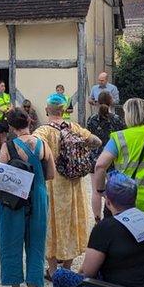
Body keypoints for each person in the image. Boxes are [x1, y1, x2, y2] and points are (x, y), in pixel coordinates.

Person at [51, 172, 144, 287]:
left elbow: (87, 273)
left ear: (107, 202)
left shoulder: (105, 228)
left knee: (60, 275)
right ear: (134, 198)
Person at [37, 95, 101, 277]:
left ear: (47, 109)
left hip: (53, 183)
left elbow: (32, 145)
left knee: (52, 224)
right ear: (64, 110)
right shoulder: (74, 128)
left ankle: (52, 270)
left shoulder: (44, 131)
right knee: (72, 222)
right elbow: (97, 142)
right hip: (74, 183)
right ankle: (66, 268)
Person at [0, 108, 52, 287]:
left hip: (13, 197)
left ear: (11, 126)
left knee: (10, 240)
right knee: (36, 242)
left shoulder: (8, 146)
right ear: (29, 122)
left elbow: (1, 176)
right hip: (37, 194)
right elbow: (51, 174)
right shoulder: (43, 145)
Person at [92, 98, 144, 218]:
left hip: (123, 199)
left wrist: (100, 190)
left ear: (128, 115)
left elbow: (100, 166)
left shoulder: (120, 137)